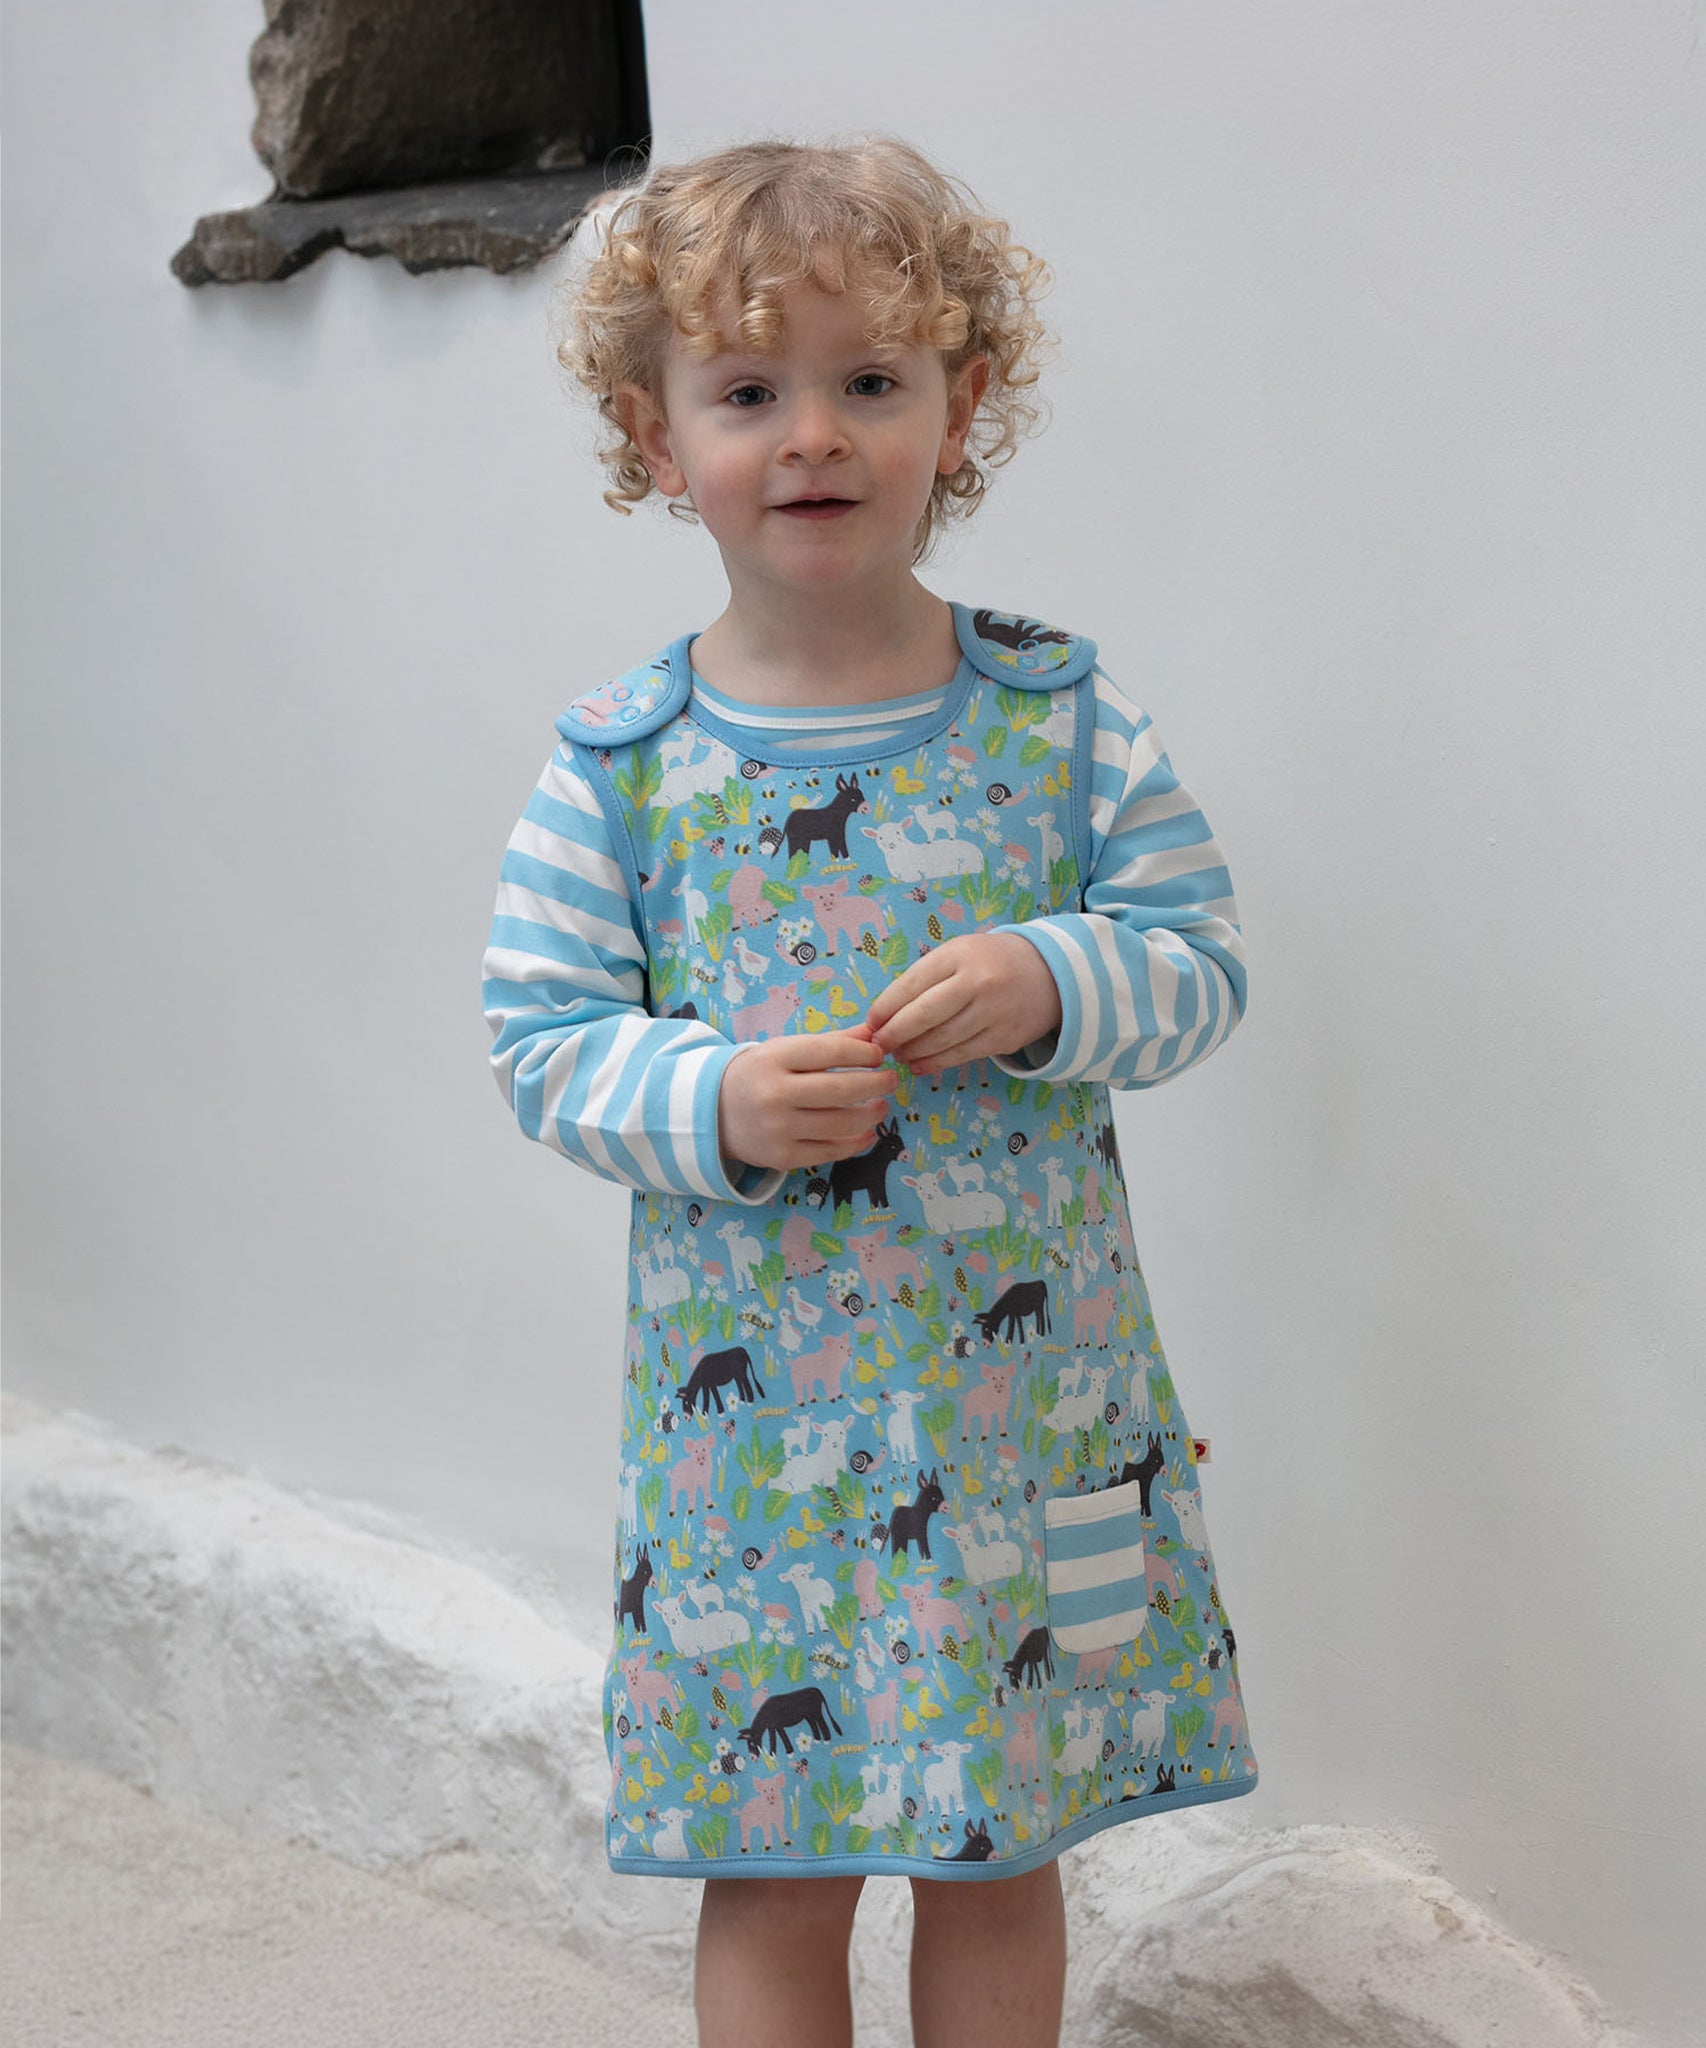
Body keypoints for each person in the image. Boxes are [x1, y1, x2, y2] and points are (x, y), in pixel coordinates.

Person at [481, 134, 1258, 2048]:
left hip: (1020, 1415)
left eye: (869, 381)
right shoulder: (623, 770)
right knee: (777, 1851)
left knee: (1004, 1843)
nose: (811, 433)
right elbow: (541, 1038)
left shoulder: (1060, 723)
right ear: (656, 441)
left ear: (956, 408)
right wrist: (713, 1100)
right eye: (748, 391)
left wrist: (1050, 970)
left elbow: (1198, 965)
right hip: (764, 1461)